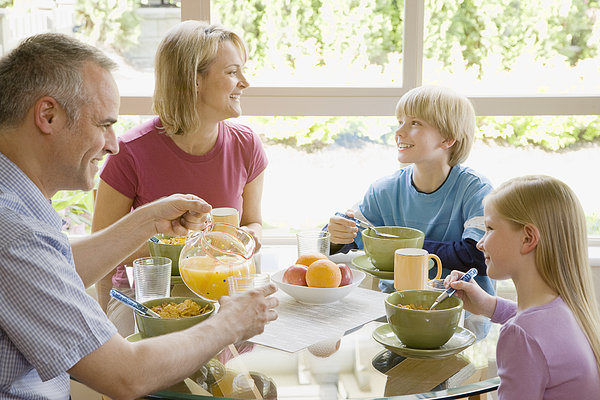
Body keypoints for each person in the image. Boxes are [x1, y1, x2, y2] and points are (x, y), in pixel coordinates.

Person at [0, 32, 278, 399]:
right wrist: (230, 324)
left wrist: (147, 221)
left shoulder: (17, 208)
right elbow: (127, 376)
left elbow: (53, 262)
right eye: (103, 125)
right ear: (47, 115)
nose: (114, 143)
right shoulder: (14, 230)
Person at [92, 20, 268, 335]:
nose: (245, 82)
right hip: (146, 298)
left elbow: (253, 222)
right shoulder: (130, 152)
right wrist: (104, 323)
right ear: (193, 80)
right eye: (231, 72)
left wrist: (247, 237)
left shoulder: (246, 144)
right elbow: (100, 251)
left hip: (220, 291)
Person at [327, 85, 494, 295]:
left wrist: (401, 247)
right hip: (394, 309)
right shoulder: (385, 190)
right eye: (400, 122)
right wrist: (335, 236)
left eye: (415, 123)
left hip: (461, 314)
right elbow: (346, 235)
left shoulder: (476, 190)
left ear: (448, 138)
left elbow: (476, 255)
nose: (399, 132)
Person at [446, 175, 600, 399]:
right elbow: (538, 330)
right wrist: (488, 306)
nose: (480, 243)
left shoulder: (521, 336)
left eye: (489, 228)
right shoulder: (570, 307)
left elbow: (528, 333)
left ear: (528, 238)